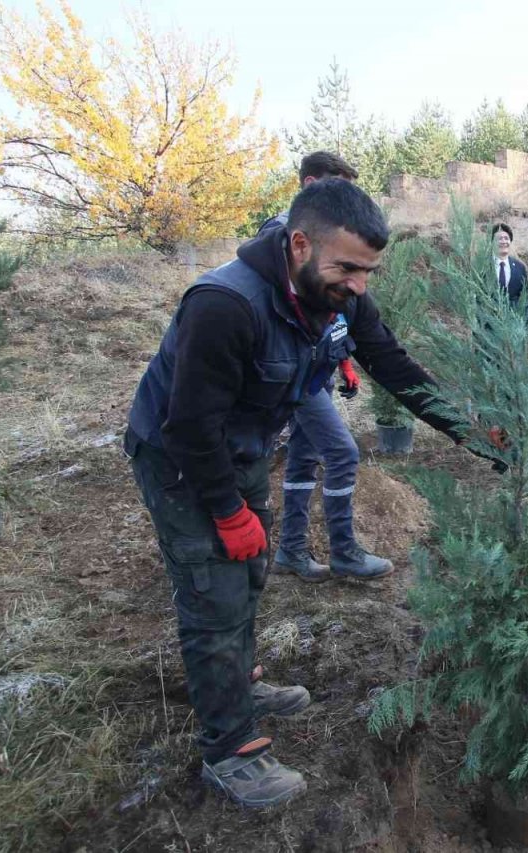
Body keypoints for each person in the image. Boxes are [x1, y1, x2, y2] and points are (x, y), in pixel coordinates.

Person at [125, 178, 474, 807]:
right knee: (214, 587)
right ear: (298, 245)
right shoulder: (224, 305)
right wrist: (228, 511)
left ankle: (235, 683)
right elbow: (189, 425)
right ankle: (228, 751)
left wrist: (469, 430)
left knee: (252, 573)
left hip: (245, 445)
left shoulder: (340, 295)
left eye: (368, 271)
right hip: (180, 455)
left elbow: (393, 366)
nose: (358, 285)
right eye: (347, 268)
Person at [255, 152, 390, 582]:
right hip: (292, 375)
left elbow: (330, 312)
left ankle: (291, 551)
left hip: (316, 368)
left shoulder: (329, 240)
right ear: (310, 183)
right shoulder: (283, 239)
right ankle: (344, 550)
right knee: (342, 452)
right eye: (337, 185)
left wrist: (344, 359)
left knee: (303, 455)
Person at [490, 222, 528, 319]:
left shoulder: (520, 267)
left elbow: (526, 298)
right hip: (488, 327)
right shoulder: (482, 266)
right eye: (499, 239)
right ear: (491, 242)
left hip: (514, 325)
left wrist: (524, 323)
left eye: (506, 238)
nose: (503, 241)